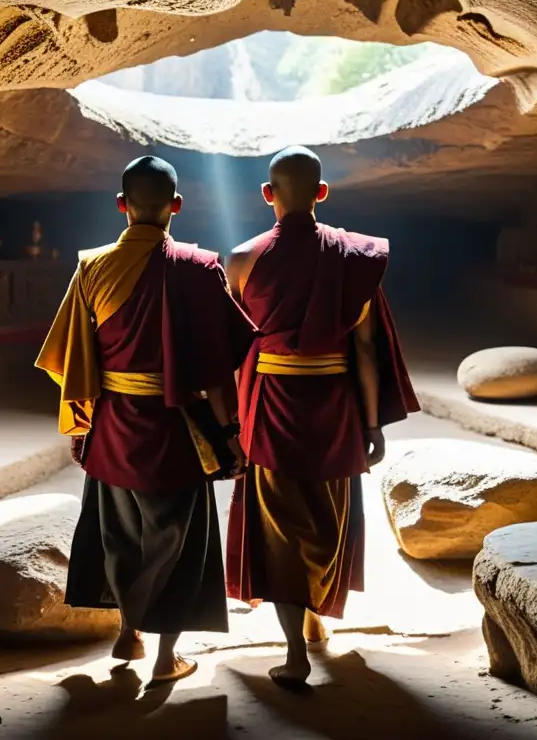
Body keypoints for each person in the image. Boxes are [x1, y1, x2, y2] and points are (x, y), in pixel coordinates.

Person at [35, 155, 256, 687]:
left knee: (119, 534)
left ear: (122, 205)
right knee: (175, 542)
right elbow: (219, 367)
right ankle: (165, 659)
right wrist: (232, 435)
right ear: (176, 206)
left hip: (112, 425)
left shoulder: (91, 265)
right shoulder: (200, 267)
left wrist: (82, 426)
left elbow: (72, 354)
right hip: (175, 430)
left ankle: (128, 631)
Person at [224, 145, 420, 686]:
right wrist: (371, 422)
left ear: (268, 195)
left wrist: (235, 425)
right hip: (333, 404)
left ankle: (294, 651)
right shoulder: (353, 258)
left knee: (280, 527)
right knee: (328, 518)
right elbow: (364, 348)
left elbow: (236, 353)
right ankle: (314, 624)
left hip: (270, 405)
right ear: (321, 192)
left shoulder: (240, 260)